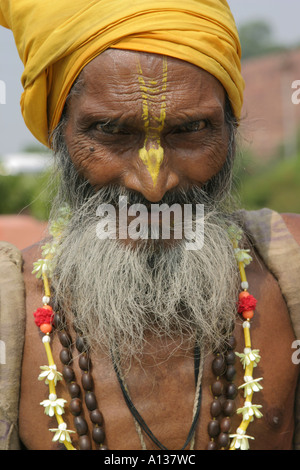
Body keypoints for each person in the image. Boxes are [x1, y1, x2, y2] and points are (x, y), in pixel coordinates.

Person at [0, 0, 299, 451]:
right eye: (110, 131)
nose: (155, 186)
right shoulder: (11, 309)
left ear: (232, 130)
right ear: (57, 133)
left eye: (191, 129)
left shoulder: (288, 264)